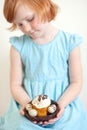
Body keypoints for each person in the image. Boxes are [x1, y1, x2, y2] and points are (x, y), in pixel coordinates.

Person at [0, 0, 87, 130]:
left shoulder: (69, 42)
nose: (27, 29)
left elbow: (76, 82)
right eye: (20, 24)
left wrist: (60, 105)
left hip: (64, 103)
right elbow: (15, 84)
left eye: (30, 19)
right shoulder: (18, 47)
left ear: (44, 7)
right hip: (29, 102)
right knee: (20, 126)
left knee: (71, 125)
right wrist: (27, 105)